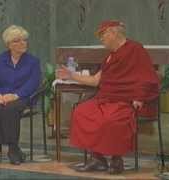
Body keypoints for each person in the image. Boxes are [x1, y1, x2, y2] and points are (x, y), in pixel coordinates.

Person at [56, 20, 160, 174]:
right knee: (81, 112)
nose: (101, 39)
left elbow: (147, 77)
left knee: (111, 120)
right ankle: (97, 159)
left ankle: (116, 160)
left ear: (113, 33)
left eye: (103, 35)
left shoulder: (135, 49)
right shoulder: (110, 57)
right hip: (105, 98)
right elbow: (96, 80)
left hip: (126, 100)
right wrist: (71, 75)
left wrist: (139, 97)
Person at [0, 25, 41, 165]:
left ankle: (12, 149)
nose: (23, 43)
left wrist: (15, 95)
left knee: (10, 110)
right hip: (0, 96)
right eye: (17, 41)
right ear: (9, 44)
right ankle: (14, 146)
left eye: (24, 40)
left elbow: (33, 83)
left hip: (21, 97)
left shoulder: (33, 61)